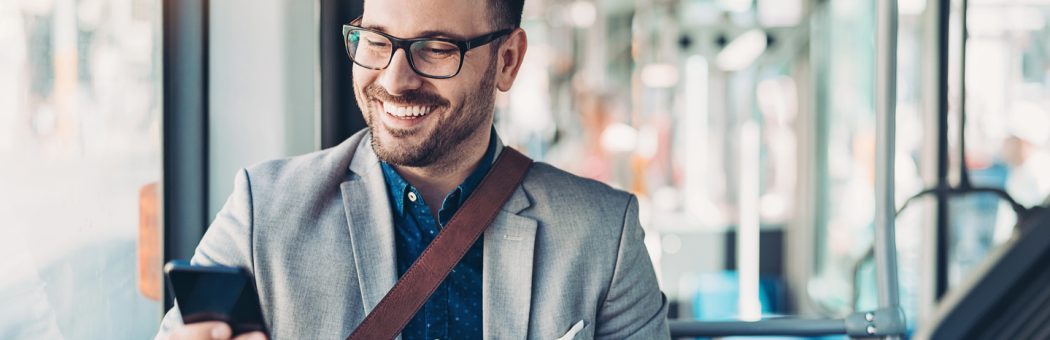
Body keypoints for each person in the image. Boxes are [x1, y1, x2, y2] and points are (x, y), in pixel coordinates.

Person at [157, 0, 668, 338]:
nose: (395, 80)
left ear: (508, 60)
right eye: (376, 41)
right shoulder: (263, 208)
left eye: (436, 49)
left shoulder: (603, 232)